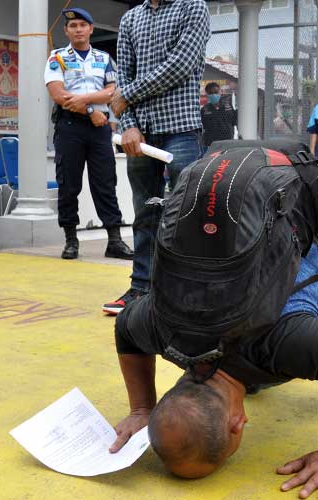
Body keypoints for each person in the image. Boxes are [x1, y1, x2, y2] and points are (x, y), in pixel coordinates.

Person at [109, 213, 318, 498]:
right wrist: (141, 409)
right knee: (256, 375)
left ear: (238, 423)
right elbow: (125, 325)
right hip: (271, 237)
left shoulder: (287, 343)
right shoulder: (167, 332)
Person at [104, 0, 210, 315]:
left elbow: (181, 65)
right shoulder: (130, 18)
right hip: (140, 134)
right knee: (145, 214)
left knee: (186, 216)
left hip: (181, 128)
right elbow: (122, 75)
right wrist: (129, 127)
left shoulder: (193, 7)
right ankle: (140, 289)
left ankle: (187, 294)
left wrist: (128, 96)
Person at [44, 8, 133, 261]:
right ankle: (71, 240)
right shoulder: (57, 58)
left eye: (83, 25)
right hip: (70, 128)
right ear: (66, 31)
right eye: (73, 26)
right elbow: (59, 95)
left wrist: (87, 103)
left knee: (105, 184)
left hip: (99, 129)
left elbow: (113, 92)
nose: (79, 29)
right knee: (69, 185)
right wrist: (93, 107)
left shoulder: (104, 59)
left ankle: (114, 241)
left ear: (91, 29)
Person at [201, 82, 236, 147]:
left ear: (220, 92)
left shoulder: (229, 107)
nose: (213, 95)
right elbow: (202, 128)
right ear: (207, 94)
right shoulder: (204, 110)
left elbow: (235, 122)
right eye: (210, 93)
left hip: (228, 143)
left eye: (216, 92)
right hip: (210, 145)